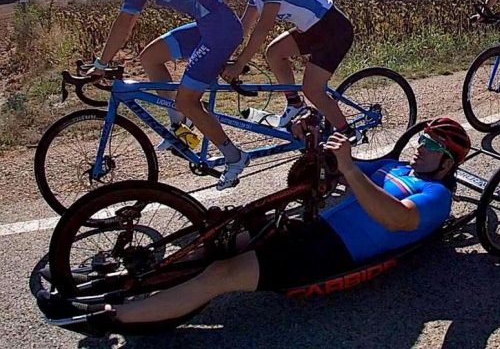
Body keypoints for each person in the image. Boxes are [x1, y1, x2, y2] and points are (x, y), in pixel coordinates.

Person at [37, 117, 472, 335]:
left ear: (449, 160)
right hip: (310, 222)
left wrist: (350, 172)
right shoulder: (398, 164)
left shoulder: (437, 197)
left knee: (222, 274)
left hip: (331, 249)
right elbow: (340, 170)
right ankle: (119, 278)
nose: (419, 148)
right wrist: (316, 145)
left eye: (431, 146)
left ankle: (109, 317)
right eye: (420, 140)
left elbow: (397, 220)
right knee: (215, 239)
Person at [88, 0, 249, 190]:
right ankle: (179, 129)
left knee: (188, 100)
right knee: (150, 57)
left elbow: (124, 25)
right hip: (209, 24)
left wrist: (101, 63)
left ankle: (235, 156)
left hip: (219, 30)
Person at [212, 0, 357, 146]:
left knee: (312, 89)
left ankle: (349, 133)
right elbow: (243, 27)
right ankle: (295, 104)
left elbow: (261, 29)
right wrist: (220, 55)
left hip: (333, 29)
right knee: (274, 53)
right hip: (312, 29)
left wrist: (239, 65)